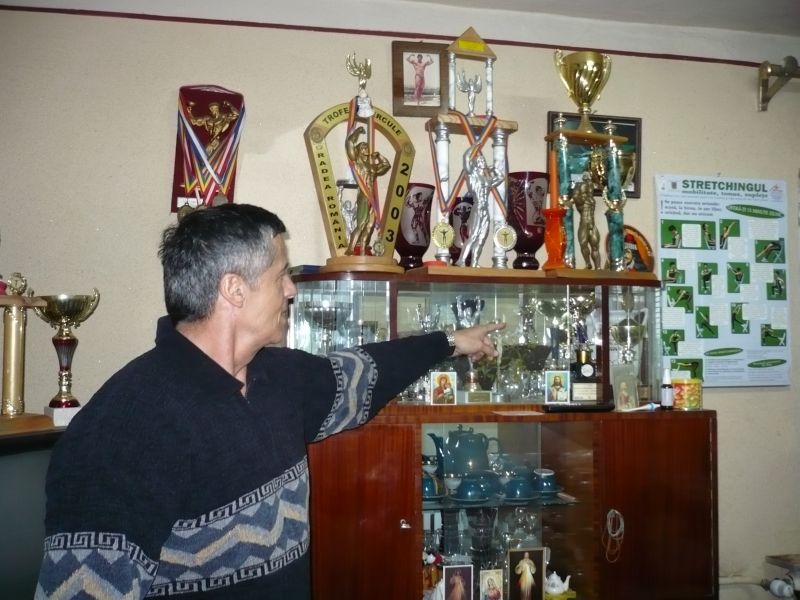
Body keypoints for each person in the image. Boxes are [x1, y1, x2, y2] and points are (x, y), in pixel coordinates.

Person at [35, 203, 502, 599]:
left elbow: (365, 373)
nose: (291, 291)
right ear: (234, 289)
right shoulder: (124, 427)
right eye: (281, 275)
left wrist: (450, 342)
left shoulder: (280, 378)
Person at [345, 125, 391, 256]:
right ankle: (350, 249)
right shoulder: (357, 162)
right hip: (364, 195)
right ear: (358, 151)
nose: (366, 149)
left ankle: (363, 251)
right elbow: (349, 143)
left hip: (372, 198)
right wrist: (357, 132)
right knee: (361, 224)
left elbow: (386, 165)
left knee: (369, 227)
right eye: (363, 147)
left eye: (367, 147)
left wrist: (379, 156)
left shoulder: (372, 167)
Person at [457, 144, 503, 267]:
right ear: (476, 164)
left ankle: (474, 263)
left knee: (481, 238)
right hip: (477, 208)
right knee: (473, 236)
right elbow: (466, 157)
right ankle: (461, 260)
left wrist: (493, 169)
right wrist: (475, 145)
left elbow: (501, 177)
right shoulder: (472, 177)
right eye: (480, 160)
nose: (483, 162)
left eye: (483, 160)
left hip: (485, 210)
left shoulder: (487, 180)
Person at [572, 171, 600, 269]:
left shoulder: (591, 201)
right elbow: (576, 197)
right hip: (584, 223)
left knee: (595, 246)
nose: (589, 192)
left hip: (592, 224)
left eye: (590, 191)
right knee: (583, 243)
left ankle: (598, 267)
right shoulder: (581, 202)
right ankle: (588, 264)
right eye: (585, 192)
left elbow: (594, 186)